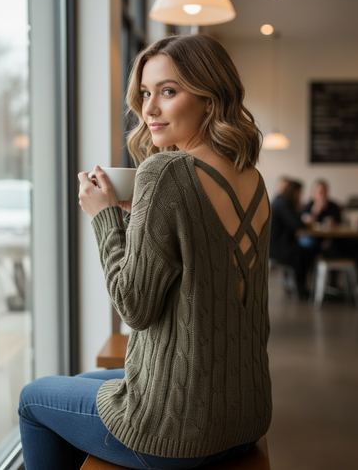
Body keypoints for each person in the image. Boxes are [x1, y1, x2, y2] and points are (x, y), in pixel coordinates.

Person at [18, 34, 272, 470]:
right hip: (244, 414)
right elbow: (200, 260)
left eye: (168, 92)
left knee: (33, 398)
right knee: (83, 382)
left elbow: (134, 307)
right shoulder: (252, 176)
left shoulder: (165, 170)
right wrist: (140, 217)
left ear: (209, 99)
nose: (149, 109)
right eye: (145, 93)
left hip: (176, 433)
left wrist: (104, 217)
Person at [269, 180, 315, 297]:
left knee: (305, 249)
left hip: (276, 245)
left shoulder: (280, 201)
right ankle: (301, 289)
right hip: (278, 248)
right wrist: (306, 223)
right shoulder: (283, 203)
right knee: (307, 252)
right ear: (294, 192)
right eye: (299, 192)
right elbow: (295, 224)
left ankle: (297, 286)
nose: (300, 195)